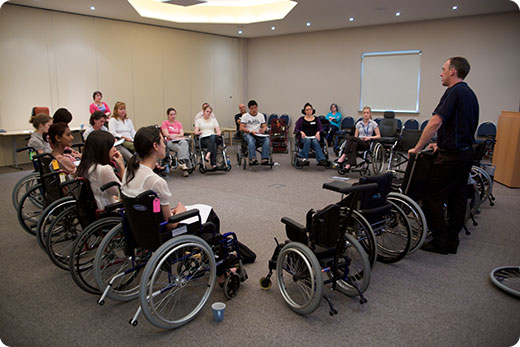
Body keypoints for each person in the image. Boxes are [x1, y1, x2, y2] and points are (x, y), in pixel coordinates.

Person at [408, 57, 479, 255]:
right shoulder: (470, 94)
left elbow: (435, 122)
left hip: (452, 158)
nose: (441, 73)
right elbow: (463, 125)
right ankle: (451, 241)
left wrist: (418, 147)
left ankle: (440, 242)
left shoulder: (453, 91)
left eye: (443, 69)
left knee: (431, 198)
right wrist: (441, 143)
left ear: (453, 71)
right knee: (458, 197)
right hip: (465, 154)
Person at [76, 130, 124, 209]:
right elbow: (124, 193)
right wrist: (121, 167)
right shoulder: (104, 169)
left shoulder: (87, 165)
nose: (115, 149)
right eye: (112, 146)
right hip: (110, 210)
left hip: (96, 207)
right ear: (103, 149)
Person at [336, 106, 380, 170]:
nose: (366, 114)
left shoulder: (373, 124)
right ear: (362, 114)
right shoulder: (359, 124)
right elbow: (356, 136)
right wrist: (357, 139)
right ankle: (349, 164)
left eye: (367, 113)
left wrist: (369, 137)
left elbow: (378, 136)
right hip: (358, 141)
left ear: (370, 114)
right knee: (353, 144)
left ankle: (344, 155)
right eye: (364, 113)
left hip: (367, 143)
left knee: (351, 138)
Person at [160, 107, 192, 177]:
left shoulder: (178, 123)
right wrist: (175, 135)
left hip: (180, 141)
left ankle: (181, 163)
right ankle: (184, 165)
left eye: (174, 114)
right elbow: (166, 134)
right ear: (168, 115)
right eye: (171, 114)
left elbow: (182, 134)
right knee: (183, 147)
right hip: (170, 142)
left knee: (184, 143)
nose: (173, 116)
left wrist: (174, 135)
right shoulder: (165, 123)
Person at [239, 100, 270, 165]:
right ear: (249, 109)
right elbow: (241, 127)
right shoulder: (245, 116)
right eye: (252, 108)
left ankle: (265, 158)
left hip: (258, 134)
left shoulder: (260, 116)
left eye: (255, 108)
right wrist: (250, 131)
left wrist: (263, 129)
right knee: (251, 140)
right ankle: (252, 158)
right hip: (248, 133)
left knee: (267, 140)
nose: (254, 110)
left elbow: (264, 126)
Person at [194, 105, 222, 169]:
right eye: (207, 111)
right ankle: (213, 164)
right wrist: (198, 132)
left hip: (213, 136)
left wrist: (218, 133)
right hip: (204, 139)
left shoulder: (214, 120)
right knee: (214, 144)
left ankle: (208, 154)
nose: (208, 113)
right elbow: (195, 131)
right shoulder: (199, 120)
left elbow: (218, 131)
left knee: (212, 136)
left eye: (210, 112)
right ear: (203, 112)